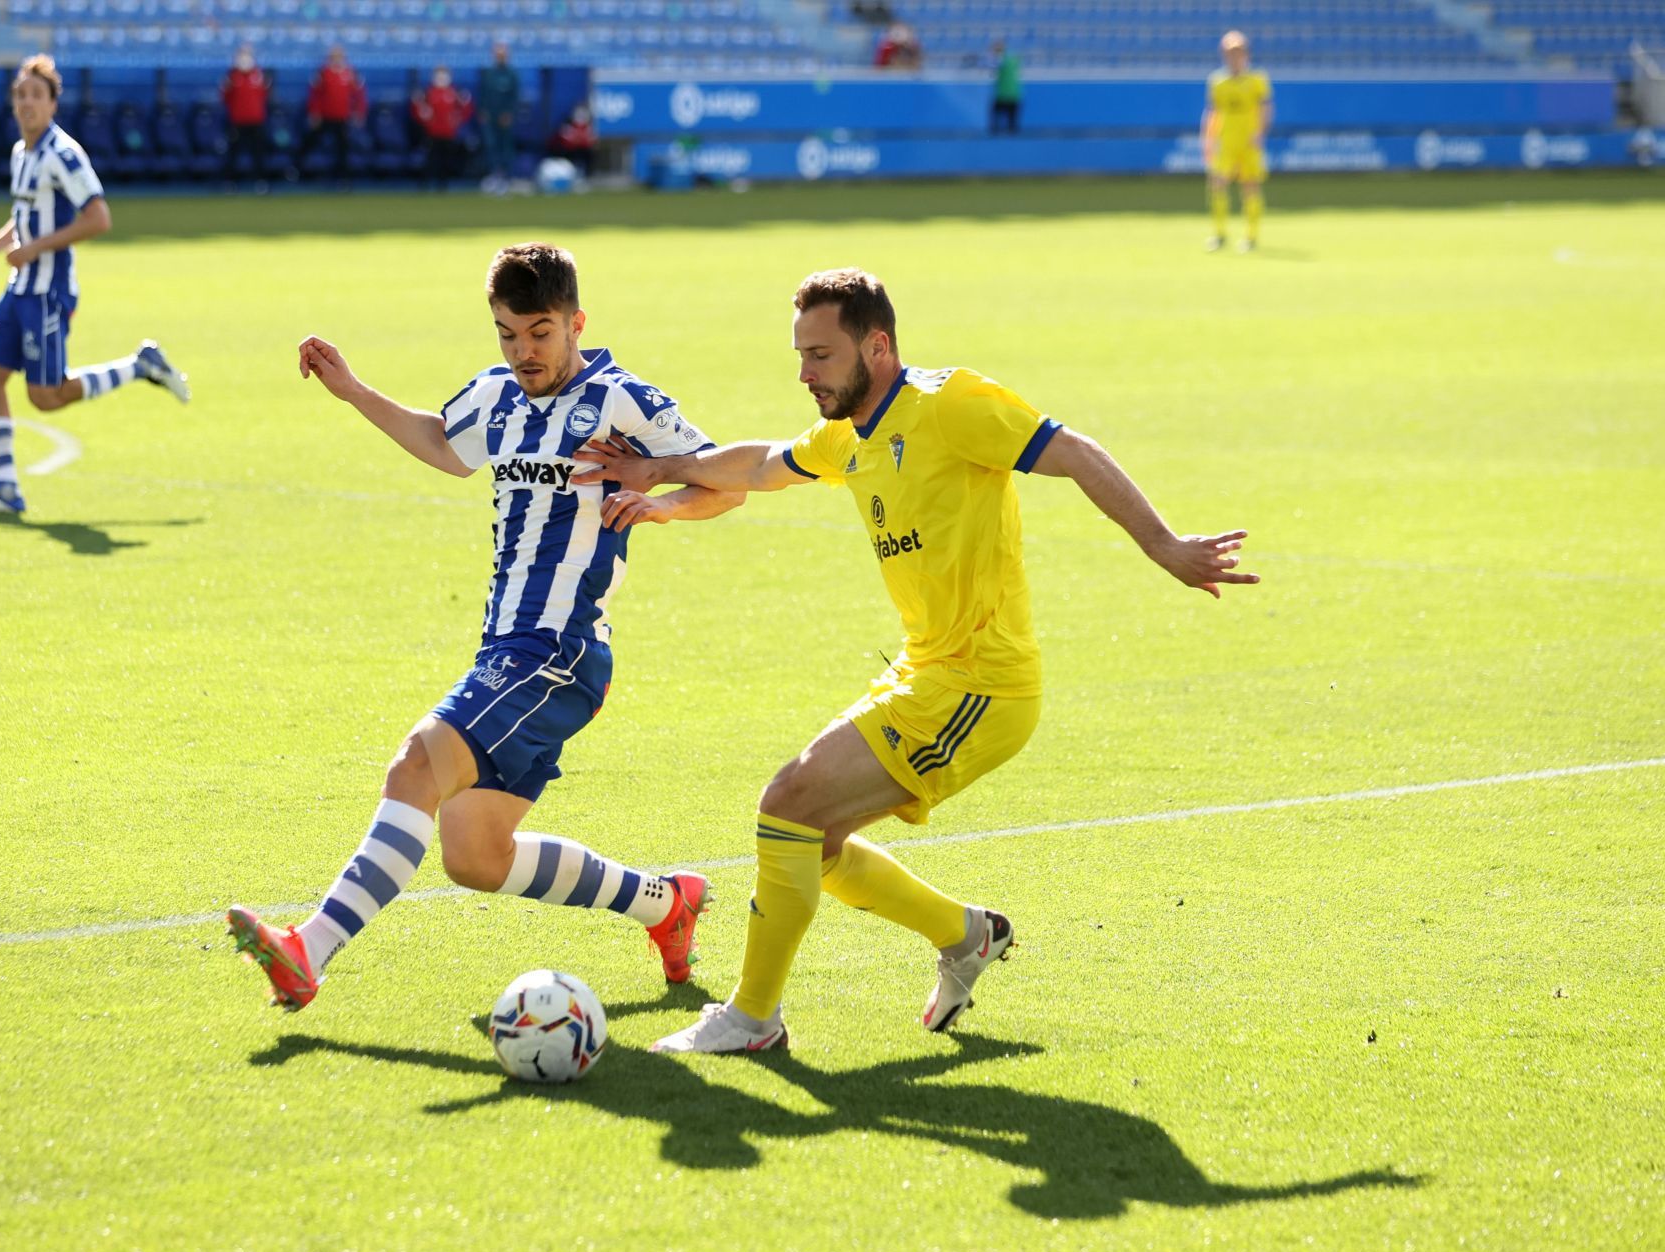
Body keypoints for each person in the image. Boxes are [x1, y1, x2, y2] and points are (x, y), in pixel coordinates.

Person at [572, 268, 1257, 1053]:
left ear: (878, 346)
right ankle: (965, 935)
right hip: (926, 672)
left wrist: (1165, 546)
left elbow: (1073, 450)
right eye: (800, 355)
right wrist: (662, 473)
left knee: (787, 804)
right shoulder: (849, 435)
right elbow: (762, 466)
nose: (804, 374)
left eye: (821, 356)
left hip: (981, 685)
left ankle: (751, 1019)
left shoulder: (952, 405)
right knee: (814, 842)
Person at [226, 243, 744, 1012]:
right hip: (507, 648)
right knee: (474, 855)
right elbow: (445, 443)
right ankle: (665, 904)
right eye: (507, 333)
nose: (523, 351)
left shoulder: (622, 400)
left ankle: (308, 951)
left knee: (415, 767)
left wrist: (661, 500)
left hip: (559, 650)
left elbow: (722, 481)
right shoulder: (495, 395)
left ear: (575, 323)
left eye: (539, 332)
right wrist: (354, 391)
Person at [0, 54, 189, 516]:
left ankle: (141, 366)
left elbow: (98, 217)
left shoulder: (64, 154)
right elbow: (24, 213)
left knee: (46, 396)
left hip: (49, 293)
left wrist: (37, 247)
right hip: (20, 286)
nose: (26, 103)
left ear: (52, 104)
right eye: (20, 94)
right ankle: (6, 491)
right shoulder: (22, 151)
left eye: (36, 96)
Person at [1201, 30, 1272, 252]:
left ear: (1246, 54)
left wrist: (1260, 133)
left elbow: (1265, 108)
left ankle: (1251, 237)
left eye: (1238, 52)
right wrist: (1208, 138)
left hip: (1249, 141)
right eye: (1230, 52)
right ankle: (1220, 234)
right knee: (1218, 184)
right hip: (1226, 141)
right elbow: (1213, 112)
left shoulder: (1257, 79)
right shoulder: (1217, 81)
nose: (1234, 56)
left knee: (1250, 186)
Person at [301, 45, 365, 184]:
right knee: (311, 141)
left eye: (339, 55)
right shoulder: (323, 73)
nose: (336, 58)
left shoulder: (350, 73)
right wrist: (314, 113)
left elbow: (358, 95)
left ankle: (343, 178)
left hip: (342, 117)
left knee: (343, 148)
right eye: (334, 56)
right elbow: (315, 95)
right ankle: (297, 170)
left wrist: (359, 112)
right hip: (325, 117)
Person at [220, 43, 271, 191]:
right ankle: (230, 182)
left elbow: (264, 95)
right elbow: (225, 97)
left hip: (256, 121)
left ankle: (260, 182)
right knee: (233, 153)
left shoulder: (259, 75)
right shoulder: (231, 76)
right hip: (237, 121)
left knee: (258, 153)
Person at [412, 65, 472, 191]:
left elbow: (465, 109)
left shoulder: (454, 93)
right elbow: (419, 109)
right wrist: (426, 120)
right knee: (430, 159)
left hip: (448, 133)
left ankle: (442, 185)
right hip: (432, 132)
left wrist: (456, 121)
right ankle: (425, 184)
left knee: (445, 160)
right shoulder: (428, 92)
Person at [477, 42, 519, 191]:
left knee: (505, 147)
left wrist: (509, 113)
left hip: (505, 118)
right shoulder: (488, 73)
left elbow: (515, 96)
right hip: (490, 117)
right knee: (491, 146)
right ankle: (494, 176)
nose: (499, 56)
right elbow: (483, 95)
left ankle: (506, 178)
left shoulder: (511, 74)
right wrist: (483, 112)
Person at [547, 104, 594, 176]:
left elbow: (590, 139)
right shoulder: (568, 123)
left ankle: (587, 175)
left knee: (588, 153)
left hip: (581, 148)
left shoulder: (587, 126)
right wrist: (577, 139)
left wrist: (581, 140)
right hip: (567, 148)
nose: (581, 118)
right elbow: (565, 138)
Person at [990, 40, 1021, 134]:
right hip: (1015, 94)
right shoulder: (1014, 58)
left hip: (1003, 94)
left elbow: (993, 69)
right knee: (1012, 122)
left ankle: (997, 134)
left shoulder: (1000, 59)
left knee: (996, 119)